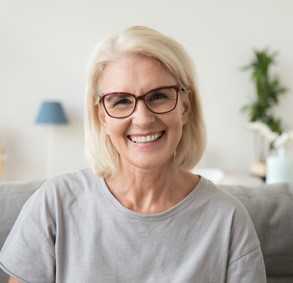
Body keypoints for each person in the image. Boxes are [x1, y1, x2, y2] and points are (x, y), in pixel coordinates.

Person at [0, 26, 266, 283]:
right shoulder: (54, 204)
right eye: (121, 101)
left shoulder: (228, 220)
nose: (143, 119)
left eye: (159, 96)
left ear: (184, 106)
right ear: (101, 116)